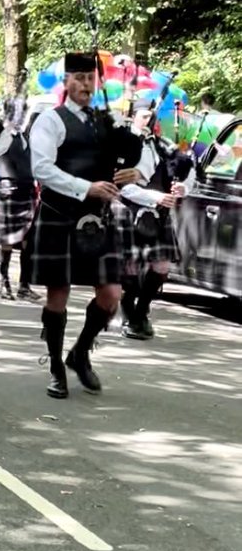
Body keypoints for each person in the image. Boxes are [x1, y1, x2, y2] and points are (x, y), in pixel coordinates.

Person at [27, 52, 144, 399]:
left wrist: (133, 173)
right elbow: (42, 169)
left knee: (111, 295)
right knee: (58, 295)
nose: (85, 85)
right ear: (65, 82)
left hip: (97, 219)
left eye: (90, 79)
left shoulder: (104, 121)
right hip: (59, 216)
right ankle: (55, 368)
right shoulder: (51, 120)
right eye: (77, 78)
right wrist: (85, 188)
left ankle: (80, 352)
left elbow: (133, 162)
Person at [114, 104, 190, 340]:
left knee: (162, 267)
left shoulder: (163, 145)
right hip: (132, 210)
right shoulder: (125, 143)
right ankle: (128, 310)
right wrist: (155, 197)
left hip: (160, 214)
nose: (149, 120)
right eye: (144, 115)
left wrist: (182, 189)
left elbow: (189, 175)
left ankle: (141, 311)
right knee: (131, 270)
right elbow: (121, 185)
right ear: (133, 117)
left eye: (151, 116)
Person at [0, 102, 42, 302]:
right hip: (9, 191)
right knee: (7, 242)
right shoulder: (1, 137)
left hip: (27, 192)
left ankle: (24, 285)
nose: (20, 118)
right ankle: (4, 284)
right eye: (17, 114)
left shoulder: (26, 138)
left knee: (28, 242)